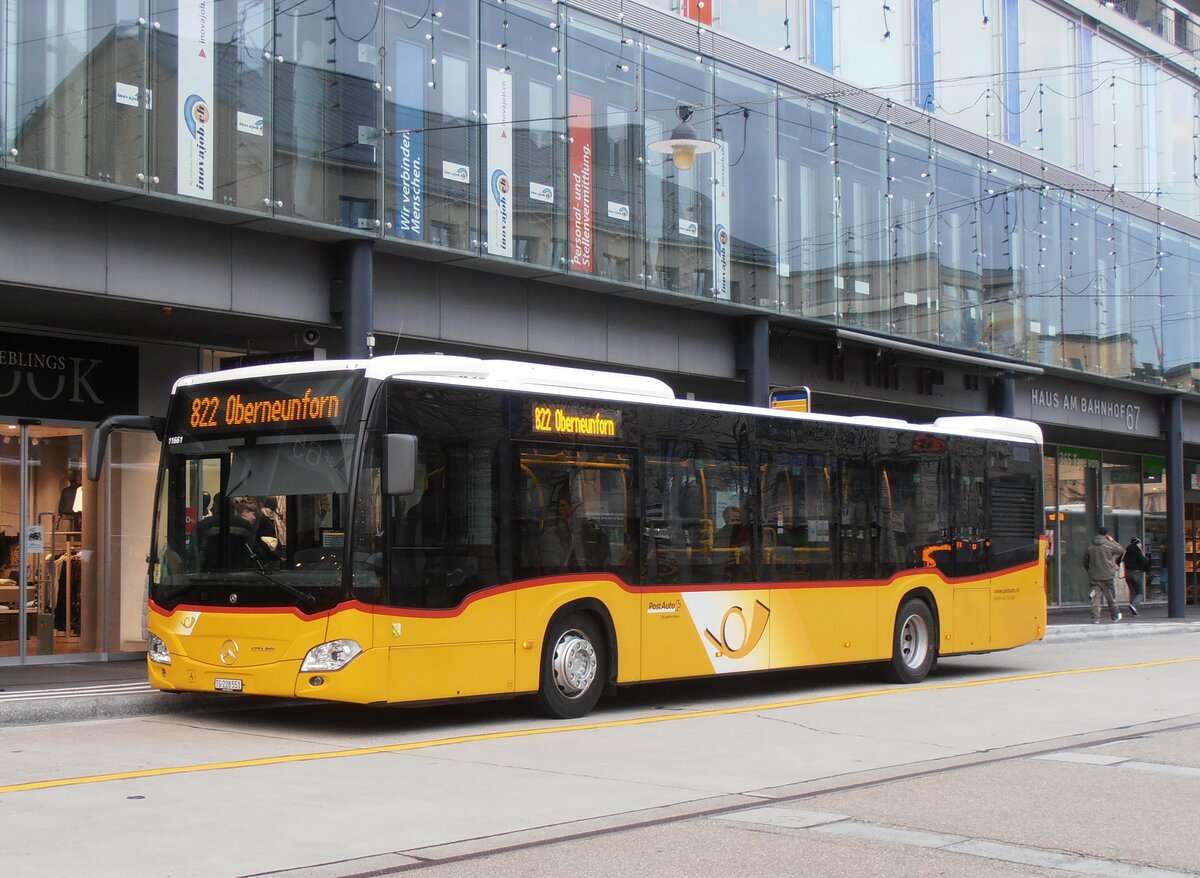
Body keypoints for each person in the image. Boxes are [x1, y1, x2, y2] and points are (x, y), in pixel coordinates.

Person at [1083, 526, 1124, 624]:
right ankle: (1114, 616)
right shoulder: (1110, 545)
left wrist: (1090, 570)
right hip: (1107, 576)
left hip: (1094, 576)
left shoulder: (1090, 546)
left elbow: (1085, 562)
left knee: (1095, 597)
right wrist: (1113, 541)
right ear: (1106, 534)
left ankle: (1095, 618)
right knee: (1110, 597)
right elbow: (1121, 550)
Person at [1123, 536, 1148, 616]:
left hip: (1127, 573)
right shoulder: (1138, 552)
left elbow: (1121, 560)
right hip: (1136, 573)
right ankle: (1133, 605)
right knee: (1140, 592)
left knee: (1132, 592)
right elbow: (1144, 562)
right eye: (1140, 543)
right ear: (1137, 544)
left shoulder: (1126, 553)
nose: (1141, 545)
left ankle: (1134, 611)